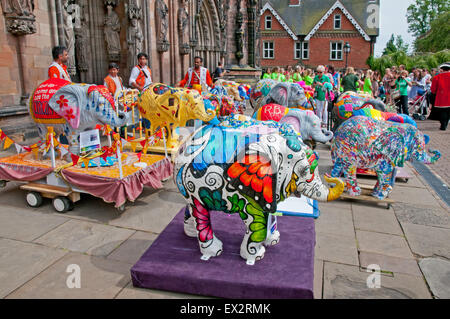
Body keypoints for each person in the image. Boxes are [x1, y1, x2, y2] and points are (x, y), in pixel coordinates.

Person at [429, 62, 450, 130]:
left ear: (442, 69)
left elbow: (433, 89)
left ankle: (443, 125)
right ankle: (445, 124)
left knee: (442, 112)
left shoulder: (437, 77)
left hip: (441, 98)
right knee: (448, 112)